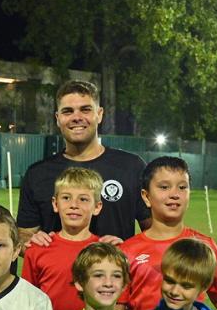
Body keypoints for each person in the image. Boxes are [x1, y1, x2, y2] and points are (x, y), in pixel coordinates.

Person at [119, 156, 217, 310]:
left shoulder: (203, 246)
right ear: (146, 196)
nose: (174, 194)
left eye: (182, 187)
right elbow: (119, 307)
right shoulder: (127, 250)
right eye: (164, 187)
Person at [18, 80, 148, 246]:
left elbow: (155, 231)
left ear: (99, 114)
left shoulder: (131, 167)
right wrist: (31, 241)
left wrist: (127, 249)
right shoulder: (37, 173)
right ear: (58, 118)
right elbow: (24, 235)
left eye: (85, 110)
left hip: (116, 264)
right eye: (68, 111)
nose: (77, 117)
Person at [22, 167, 103, 310]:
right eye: (66, 198)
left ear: (97, 207)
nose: (74, 205)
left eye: (83, 199)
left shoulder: (105, 251)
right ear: (55, 204)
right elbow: (26, 302)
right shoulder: (37, 249)